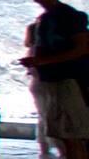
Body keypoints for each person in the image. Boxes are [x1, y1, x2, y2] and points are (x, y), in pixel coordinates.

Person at [19, 0, 89, 159]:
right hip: (51, 81)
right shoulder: (43, 19)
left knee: (73, 135)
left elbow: (82, 47)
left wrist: (42, 62)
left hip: (69, 80)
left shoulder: (68, 15)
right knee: (62, 136)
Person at [30, 21, 64, 159]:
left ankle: (45, 149)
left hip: (39, 85)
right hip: (45, 85)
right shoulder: (46, 50)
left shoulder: (36, 49)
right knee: (52, 118)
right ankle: (62, 151)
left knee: (44, 117)